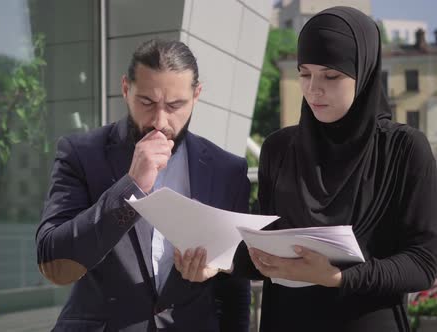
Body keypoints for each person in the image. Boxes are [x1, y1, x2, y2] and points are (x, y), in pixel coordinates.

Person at [175, 6, 437, 332]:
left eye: (331, 76)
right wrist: (217, 262)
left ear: (365, 73)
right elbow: (265, 253)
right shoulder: (279, 149)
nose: (314, 89)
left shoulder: (405, 149)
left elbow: (423, 263)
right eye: (304, 73)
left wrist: (337, 277)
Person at [35, 39, 252, 331]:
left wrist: (213, 269)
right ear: (126, 89)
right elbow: (53, 261)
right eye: (147, 102)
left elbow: (235, 290)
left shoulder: (227, 170)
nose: (160, 121)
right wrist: (131, 186)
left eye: (175, 105)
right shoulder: (81, 154)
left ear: (196, 95)